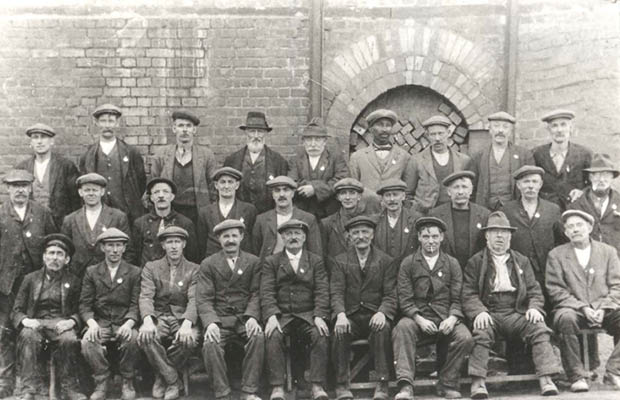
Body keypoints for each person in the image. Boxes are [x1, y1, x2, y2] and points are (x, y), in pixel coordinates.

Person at [462, 211, 561, 398]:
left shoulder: (521, 260)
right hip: (490, 312)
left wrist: (534, 307)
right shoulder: (476, 262)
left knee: (539, 328)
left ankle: (546, 379)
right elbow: (469, 293)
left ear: (510, 236)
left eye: (504, 232)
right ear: (486, 236)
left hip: (517, 312)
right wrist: (479, 312)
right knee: (481, 332)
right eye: (495, 232)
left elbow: (534, 290)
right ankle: (478, 382)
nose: (500, 236)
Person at [392, 217, 473, 400]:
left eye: (435, 236)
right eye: (426, 236)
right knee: (402, 328)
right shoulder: (409, 263)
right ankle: (405, 386)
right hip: (417, 318)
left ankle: (447, 383)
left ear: (442, 237)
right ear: (419, 238)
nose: (431, 241)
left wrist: (452, 318)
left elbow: (458, 297)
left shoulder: (452, 263)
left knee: (465, 337)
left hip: (445, 317)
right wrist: (418, 318)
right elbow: (404, 299)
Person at [546, 210, 620, 392]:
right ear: (565, 233)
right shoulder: (556, 255)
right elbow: (555, 290)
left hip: (605, 307)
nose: (575, 230)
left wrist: (603, 307)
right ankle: (577, 376)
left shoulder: (608, 252)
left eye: (579, 225)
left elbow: (617, 285)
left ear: (589, 227)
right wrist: (583, 307)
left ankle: (614, 369)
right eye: (570, 227)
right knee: (565, 319)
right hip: (573, 309)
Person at [0, 169, 57, 397]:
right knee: (5, 332)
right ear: (7, 189)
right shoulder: (1, 213)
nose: (20, 190)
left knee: (31, 332)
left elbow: (54, 242)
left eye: (24, 185)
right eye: (15, 186)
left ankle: (31, 383)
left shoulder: (42, 213)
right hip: (7, 285)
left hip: (35, 283)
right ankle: (5, 380)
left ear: (31, 188)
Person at [329, 216, 397, 400]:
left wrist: (383, 312)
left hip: (374, 314)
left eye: (365, 232)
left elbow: (391, 294)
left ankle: (382, 384)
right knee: (339, 331)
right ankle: (342, 384)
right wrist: (341, 315)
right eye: (356, 233)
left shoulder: (385, 261)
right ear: (349, 236)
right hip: (350, 315)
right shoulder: (340, 261)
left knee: (382, 329)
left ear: (372, 235)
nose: (361, 236)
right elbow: (335, 291)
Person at [260, 219, 330, 400]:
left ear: (304, 237)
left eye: (297, 234)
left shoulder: (315, 261)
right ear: (282, 237)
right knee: (272, 335)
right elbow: (266, 291)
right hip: (283, 315)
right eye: (289, 234)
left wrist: (319, 315)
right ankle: (277, 387)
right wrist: (271, 316)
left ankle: (317, 385)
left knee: (320, 333)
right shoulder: (272, 262)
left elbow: (322, 290)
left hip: (308, 315)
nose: (293, 237)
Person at [12, 234, 85, 400]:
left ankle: (69, 388)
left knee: (69, 339)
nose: (55, 258)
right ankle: (28, 389)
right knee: (28, 335)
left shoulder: (74, 281)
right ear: (44, 257)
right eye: (51, 253)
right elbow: (16, 309)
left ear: (67, 260)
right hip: (36, 324)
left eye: (60, 254)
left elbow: (82, 309)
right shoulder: (30, 279)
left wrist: (71, 321)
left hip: (60, 325)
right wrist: (26, 320)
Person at [198, 220, 264, 400]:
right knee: (210, 343)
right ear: (219, 239)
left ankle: (249, 391)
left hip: (244, 318)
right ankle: (222, 393)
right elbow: (203, 298)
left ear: (242, 237)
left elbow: (256, 293)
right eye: (226, 236)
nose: (230, 240)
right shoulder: (208, 264)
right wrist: (210, 322)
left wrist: (252, 317)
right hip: (220, 319)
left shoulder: (253, 261)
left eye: (234, 235)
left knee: (258, 337)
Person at [138, 226, 200, 400]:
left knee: (190, 339)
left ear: (184, 244)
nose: (174, 246)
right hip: (158, 316)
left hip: (181, 318)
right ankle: (173, 380)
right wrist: (148, 321)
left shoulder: (194, 269)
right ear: (163, 245)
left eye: (177, 242)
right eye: (169, 242)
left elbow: (195, 299)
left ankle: (162, 376)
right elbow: (146, 296)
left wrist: (187, 323)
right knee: (145, 336)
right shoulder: (151, 267)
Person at [79, 228, 142, 400]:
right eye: (110, 245)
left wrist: (129, 323)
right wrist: (92, 324)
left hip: (124, 321)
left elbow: (136, 304)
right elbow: (85, 304)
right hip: (102, 322)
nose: (114, 250)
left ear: (124, 248)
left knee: (134, 339)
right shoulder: (92, 272)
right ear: (102, 248)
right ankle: (101, 381)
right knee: (88, 341)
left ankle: (127, 380)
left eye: (118, 245)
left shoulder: (135, 272)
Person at [500, 166, 563, 294]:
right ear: (518, 185)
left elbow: (561, 240)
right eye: (526, 182)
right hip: (518, 270)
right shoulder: (507, 211)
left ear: (540, 184)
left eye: (534, 182)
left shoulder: (553, 210)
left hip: (547, 269)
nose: (530, 186)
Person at [79, 103, 146, 223]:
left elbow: (141, 183)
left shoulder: (131, 153)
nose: (107, 126)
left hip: (127, 212)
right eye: (103, 121)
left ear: (117, 123)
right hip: (99, 213)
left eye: (111, 121)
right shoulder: (88, 155)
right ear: (96, 123)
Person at [149, 110, 218, 223]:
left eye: (189, 126)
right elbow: (153, 184)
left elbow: (213, 188)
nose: (185, 130)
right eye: (181, 125)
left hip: (197, 213)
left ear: (194, 130)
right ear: (174, 129)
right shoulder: (162, 155)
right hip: (170, 213)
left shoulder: (206, 155)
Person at [61, 173, 134, 277]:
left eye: (95, 190)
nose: (91, 193)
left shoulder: (118, 217)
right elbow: (65, 251)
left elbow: (129, 251)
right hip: (79, 275)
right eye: (87, 190)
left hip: (109, 275)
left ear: (102, 192)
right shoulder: (70, 219)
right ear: (80, 192)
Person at [15, 123, 80, 228]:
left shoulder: (66, 166)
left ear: (52, 142)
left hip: (59, 225)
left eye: (43, 137)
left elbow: (75, 202)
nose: (39, 141)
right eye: (35, 137)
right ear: (31, 143)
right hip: (31, 225)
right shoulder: (23, 168)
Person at [224, 111, 289, 214]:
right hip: (239, 215)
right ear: (246, 133)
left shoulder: (278, 161)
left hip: (268, 215)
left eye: (260, 131)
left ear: (266, 133)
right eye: (252, 131)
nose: (256, 136)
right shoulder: (232, 160)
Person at [470, 112, 534, 210]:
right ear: (490, 130)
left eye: (505, 127)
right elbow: (472, 187)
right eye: (496, 126)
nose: (500, 130)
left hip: (514, 208)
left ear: (510, 131)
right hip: (485, 208)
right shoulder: (479, 156)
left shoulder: (523, 155)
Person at [288, 117, 349, 219]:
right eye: (309, 139)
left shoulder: (336, 158)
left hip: (330, 213)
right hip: (303, 212)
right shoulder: (295, 160)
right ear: (303, 142)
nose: (313, 144)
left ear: (324, 141)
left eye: (317, 139)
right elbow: (292, 182)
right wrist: (308, 188)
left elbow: (341, 180)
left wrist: (315, 189)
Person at [410, 115, 472, 214]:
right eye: (433, 134)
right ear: (427, 135)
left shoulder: (463, 160)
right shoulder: (416, 160)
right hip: (425, 214)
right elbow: (408, 193)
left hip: (454, 213)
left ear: (448, 133)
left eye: (441, 133)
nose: (437, 138)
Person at [533, 109, 592, 210]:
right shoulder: (536, 154)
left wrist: (582, 192)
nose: (559, 130)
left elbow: (593, 183)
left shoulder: (584, 154)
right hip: (545, 211)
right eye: (554, 126)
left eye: (563, 125)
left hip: (574, 210)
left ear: (571, 128)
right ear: (548, 129)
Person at [429, 171, 490, 268]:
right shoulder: (436, 215)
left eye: (464, 187)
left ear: (471, 190)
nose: (460, 192)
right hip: (446, 269)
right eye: (456, 187)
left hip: (475, 270)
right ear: (449, 191)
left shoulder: (484, 215)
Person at [349, 109, 415, 198]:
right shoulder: (357, 157)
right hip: (367, 210)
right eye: (380, 125)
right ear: (371, 129)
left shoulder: (404, 157)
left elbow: (408, 192)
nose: (384, 129)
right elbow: (353, 190)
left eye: (388, 125)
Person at [133, 177, 198, 266]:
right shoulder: (140, 223)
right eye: (156, 192)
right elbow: (136, 255)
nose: (161, 195)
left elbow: (192, 257)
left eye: (165, 192)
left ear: (172, 196)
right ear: (151, 197)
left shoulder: (185, 223)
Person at [252, 176, 322, 259]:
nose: (282, 194)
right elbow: (255, 252)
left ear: (292, 193)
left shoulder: (308, 219)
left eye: (286, 190)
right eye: (277, 190)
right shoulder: (262, 220)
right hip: (270, 269)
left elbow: (316, 254)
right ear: (273, 195)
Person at [197, 167, 257, 258]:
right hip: (214, 262)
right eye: (223, 182)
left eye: (230, 182)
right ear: (216, 185)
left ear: (237, 185)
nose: (226, 186)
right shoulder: (205, 212)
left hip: (241, 261)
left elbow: (252, 241)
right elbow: (201, 244)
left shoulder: (249, 210)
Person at [568, 153, 620, 255]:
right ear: (590, 177)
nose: (601, 179)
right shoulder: (577, 203)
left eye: (606, 175)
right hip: (587, 258)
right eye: (597, 174)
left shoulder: (619, 201)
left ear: (611, 178)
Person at [321, 178, 380, 263]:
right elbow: (323, 255)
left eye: (352, 193)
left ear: (359, 196)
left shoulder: (370, 222)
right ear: (338, 197)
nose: (347, 197)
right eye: (343, 193)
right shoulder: (327, 224)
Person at [372, 179, 421, 264]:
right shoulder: (375, 221)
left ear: (403, 196)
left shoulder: (415, 219)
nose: (392, 199)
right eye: (387, 195)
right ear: (382, 199)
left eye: (395, 195)